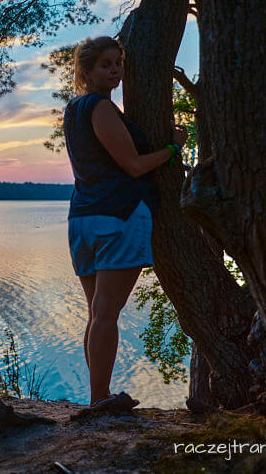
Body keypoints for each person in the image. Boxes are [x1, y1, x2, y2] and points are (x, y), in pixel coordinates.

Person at [63, 36, 188, 412]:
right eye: (105, 64)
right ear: (85, 71)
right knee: (105, 315)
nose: (115, 71)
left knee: (96, 315)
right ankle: (99, 399)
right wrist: (173, 148)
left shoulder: (74, 110)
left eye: (118, 63)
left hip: (83, 219)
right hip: (117, 216)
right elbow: (133, 166)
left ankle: (96, 397)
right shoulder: (100, 107)